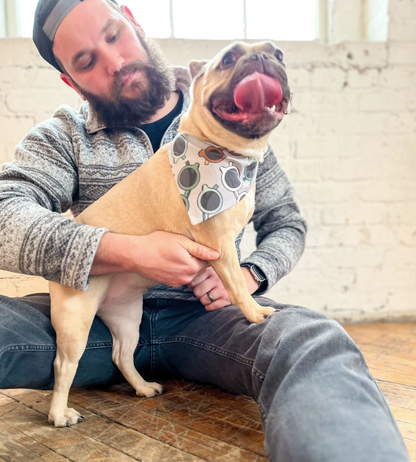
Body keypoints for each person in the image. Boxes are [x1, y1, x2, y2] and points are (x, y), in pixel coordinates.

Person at [0, 0, 410, 460]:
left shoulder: (236, 121)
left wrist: (249, 275)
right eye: (86, 61)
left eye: (114, 35)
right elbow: (3, 217)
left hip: (208, 318)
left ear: (133, 20)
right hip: (94, 314)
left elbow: (286, 223)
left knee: (311, 341)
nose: (114, 62)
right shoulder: (63, 136)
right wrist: (126, 251)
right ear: (69, 81)